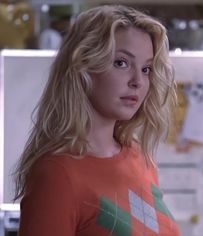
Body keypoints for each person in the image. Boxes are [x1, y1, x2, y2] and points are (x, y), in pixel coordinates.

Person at [14, 5, 181, 236]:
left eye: (146, 69)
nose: (138, 82)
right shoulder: (58, 175)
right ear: (84, 66)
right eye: (121, 63)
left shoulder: (141, 159)